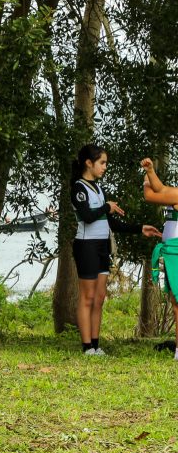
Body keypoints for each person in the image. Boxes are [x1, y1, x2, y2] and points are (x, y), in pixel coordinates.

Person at [69, 145, 161, 356]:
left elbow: (110, 222)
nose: (105, 167)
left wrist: (140, 228)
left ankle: (96, 345)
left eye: (106, 163)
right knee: (87, 297)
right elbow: (87, 217)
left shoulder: (99, 189)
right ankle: (86, 347)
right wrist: (106, 207)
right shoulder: (78, 188)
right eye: (102, 163)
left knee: (99, 298)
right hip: (86, 246)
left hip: (102, 246)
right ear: (89, 163)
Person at [141, 158, 178, 358]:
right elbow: (161, 188)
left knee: (177, 303)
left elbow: (152, 194)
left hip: (176, 253)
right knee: (175, 302)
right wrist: (150, 171)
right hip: (173, 252)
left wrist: (146, 181)